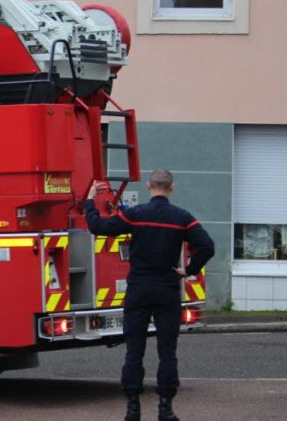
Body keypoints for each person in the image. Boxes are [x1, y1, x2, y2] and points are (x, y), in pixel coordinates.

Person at [85, 169, 214, 421]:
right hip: (167, 289)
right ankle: (165, 409)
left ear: (148, 185)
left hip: (139, 290)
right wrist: (188, 269)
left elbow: (98, 227)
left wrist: (90, 201)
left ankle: (133, 409)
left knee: (134, 350)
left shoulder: (135, 215)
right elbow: (207, 246)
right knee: (167, 351)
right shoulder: (182, 218)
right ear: (172, 188)